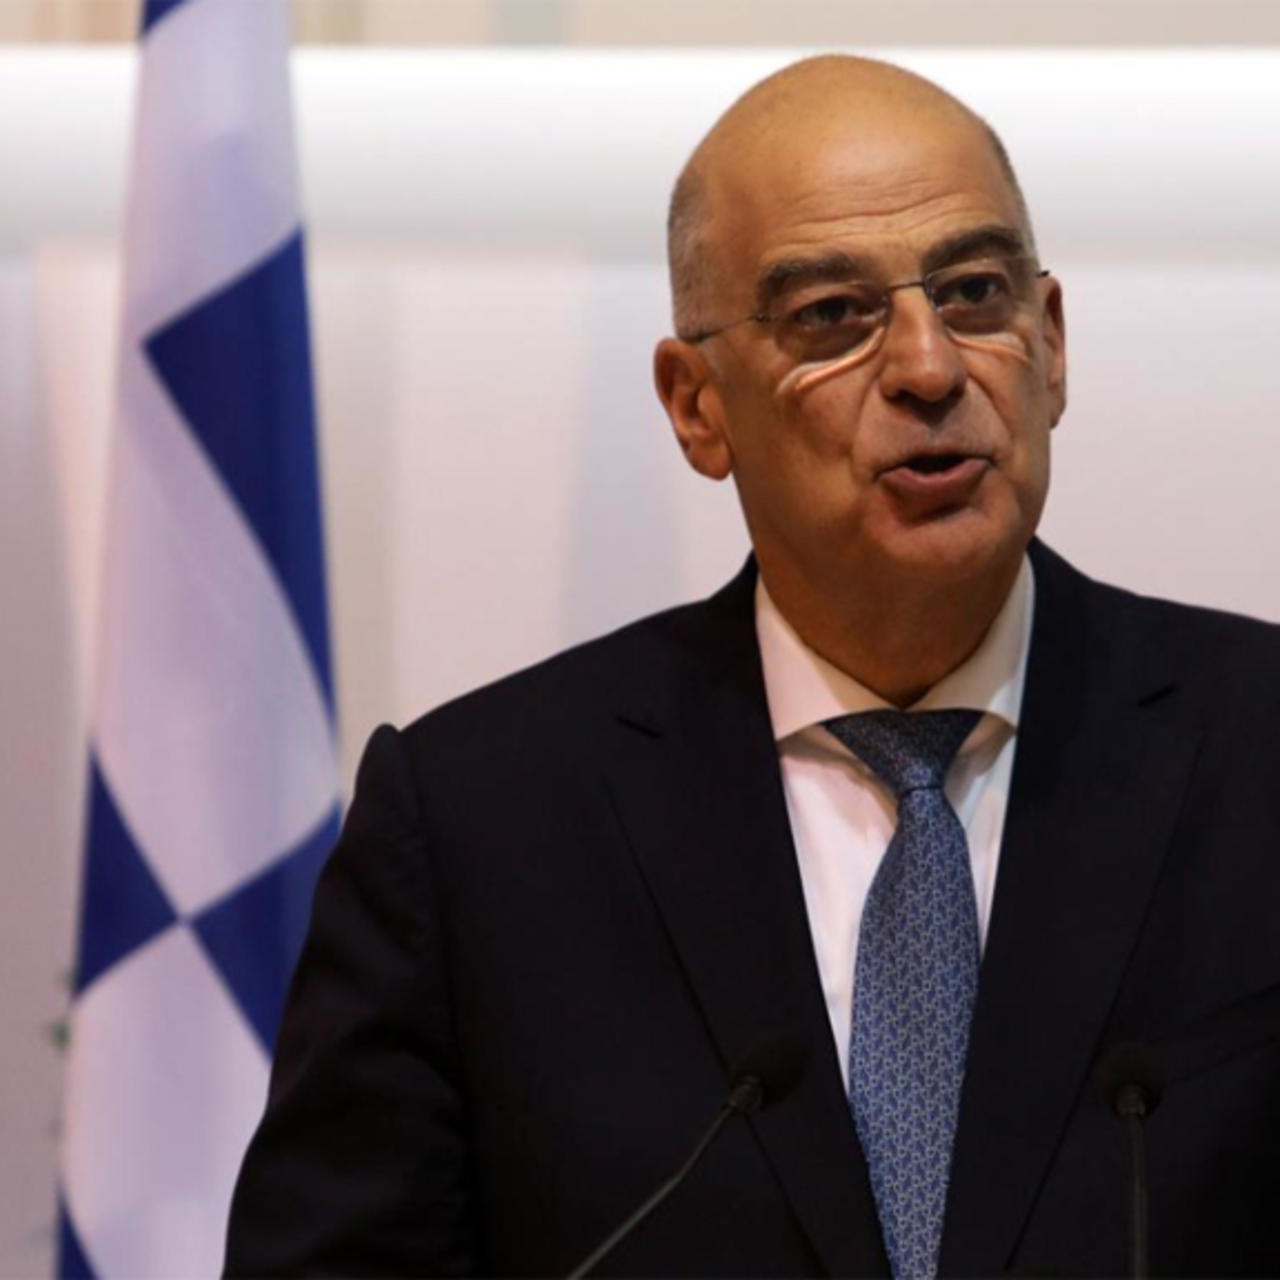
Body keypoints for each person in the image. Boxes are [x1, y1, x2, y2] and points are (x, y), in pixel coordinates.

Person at [224, 56, 1280, 1278]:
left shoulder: (1255, 749)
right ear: (696, 405)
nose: (928, 368)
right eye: (831, 314)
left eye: (973, 293)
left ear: (1048, 346)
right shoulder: (479, 826)